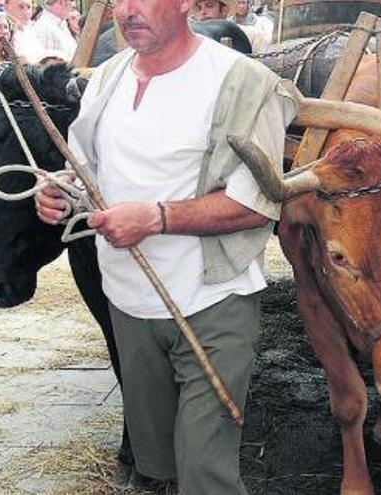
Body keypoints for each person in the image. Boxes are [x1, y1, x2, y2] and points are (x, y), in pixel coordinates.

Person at [33, 0, 294, 488]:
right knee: (156, 465)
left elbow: (257, 204)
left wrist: (156, 217)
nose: (128, 10)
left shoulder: (242, 82)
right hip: (129, 304)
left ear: (185, 4)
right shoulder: (107, 80)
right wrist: (58, 194)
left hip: (213, 302)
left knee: (203, 470)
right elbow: (83, 168)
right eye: (120, 0)